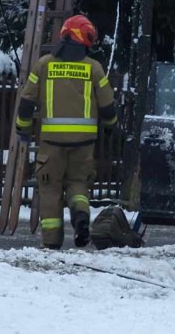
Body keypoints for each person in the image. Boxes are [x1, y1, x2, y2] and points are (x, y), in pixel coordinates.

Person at [14, 15, 117, 250]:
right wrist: (111, 126)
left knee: (50, 189)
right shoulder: (94, 67)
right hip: (84, 143)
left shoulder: (44, 64)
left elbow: (27, 102)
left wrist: (23, 129)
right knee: (78, 184)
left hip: (51, 143)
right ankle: (81, 215)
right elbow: (108, 105)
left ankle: (51, 242)